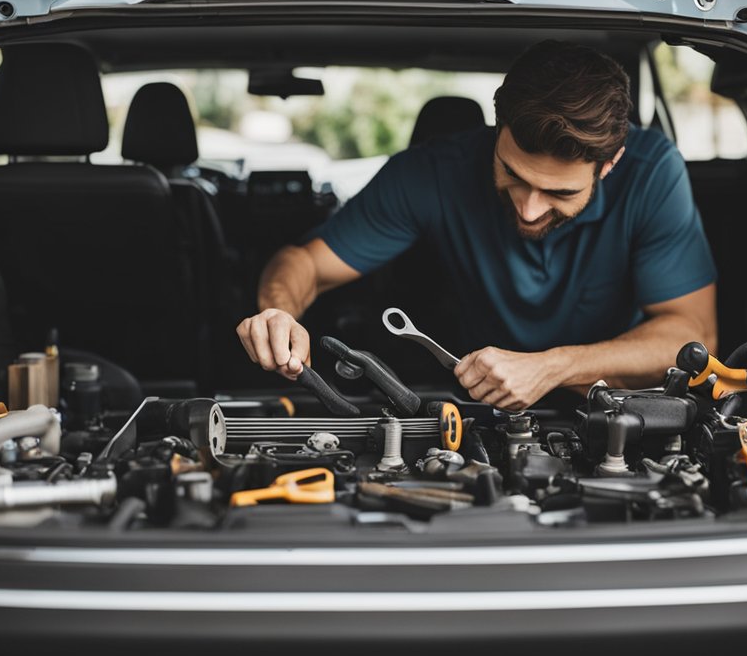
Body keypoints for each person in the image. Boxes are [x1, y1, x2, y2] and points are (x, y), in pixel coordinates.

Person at [236, 40, 717, 411]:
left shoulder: (653, 172)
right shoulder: (432, 173)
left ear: (609, 165)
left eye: (560, 193)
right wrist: (278, 312)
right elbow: (303, 264)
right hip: (470, 406)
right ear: (497, 129)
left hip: (611, 407)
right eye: (513, 175)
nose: (529, 209)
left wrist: (552, 368)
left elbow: (694, 336)